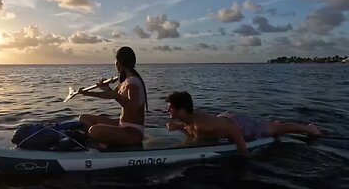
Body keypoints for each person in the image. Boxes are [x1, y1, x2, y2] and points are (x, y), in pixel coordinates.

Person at [165, 91, 322, 157]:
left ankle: (308, 128)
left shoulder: (203, 125)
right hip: (223, 119)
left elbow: (233, 130)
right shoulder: (190, 119)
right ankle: (273, 125)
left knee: (277, 130)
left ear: (183, 109)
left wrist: (244, 155)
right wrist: (178, 127)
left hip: (239, 124)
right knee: (271, 127)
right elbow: (192, 129)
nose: (168, 111)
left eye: (170, 107)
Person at [78, 46, 148, 147]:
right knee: (83, 118)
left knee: (94, 130)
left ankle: (104, 143)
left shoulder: (133, 83)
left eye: (116, 61)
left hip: (133, 132)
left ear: (119, 62)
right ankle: (106, 140)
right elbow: (111, 95)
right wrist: (87, 93)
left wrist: (115, 95)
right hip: (122, 125)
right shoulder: (125, 81)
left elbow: (133, 106)